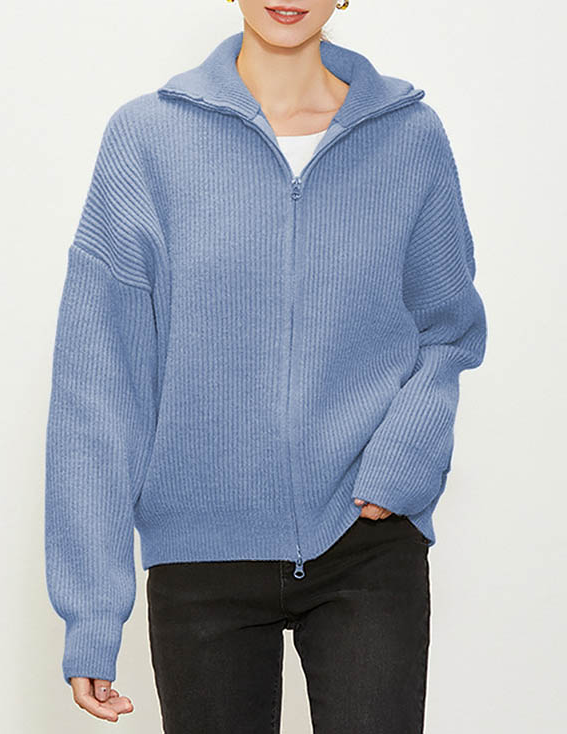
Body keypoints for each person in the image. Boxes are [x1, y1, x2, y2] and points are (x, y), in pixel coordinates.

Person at [44, 1, 487, 731]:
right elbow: (99, 383)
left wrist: (403, 460)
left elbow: (448, 330)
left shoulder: (410, 137)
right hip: (201, 556)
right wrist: (91, 610)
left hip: (363, 538)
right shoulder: (147, 139)